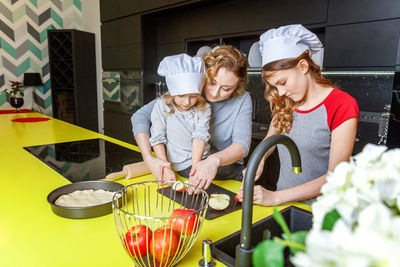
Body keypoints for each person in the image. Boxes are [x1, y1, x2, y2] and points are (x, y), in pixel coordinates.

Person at [237, 24, 359, 206]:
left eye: (283, 82)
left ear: (303, 66)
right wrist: (259, 160)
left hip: (320, 210)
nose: (281, 92)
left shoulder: (342, 104)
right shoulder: (286, 102)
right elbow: (270, 141)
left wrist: (276, 197)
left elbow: (335, 177)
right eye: (275, 87)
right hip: (284, 204)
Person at [131, 46, 252, 192]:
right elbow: (140, 116)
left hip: (225, 170)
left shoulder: (242, 100)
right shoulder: (187, 89)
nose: (214, 93)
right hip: (187, 169)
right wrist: (149, 159)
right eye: (212, 82)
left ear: (237, 86)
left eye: (226, 89)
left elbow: (242, 144)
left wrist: (213, 161)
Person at [149, 53, 211, 181]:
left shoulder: (205, 107)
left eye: (193, 96)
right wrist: (165, 167)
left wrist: (195, 170)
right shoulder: (161, 105)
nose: (187, 102)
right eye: (181, 96)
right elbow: (157, 138)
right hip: (180, 165)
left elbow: (200, 136)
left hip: (203, 160)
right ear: (172, 92)